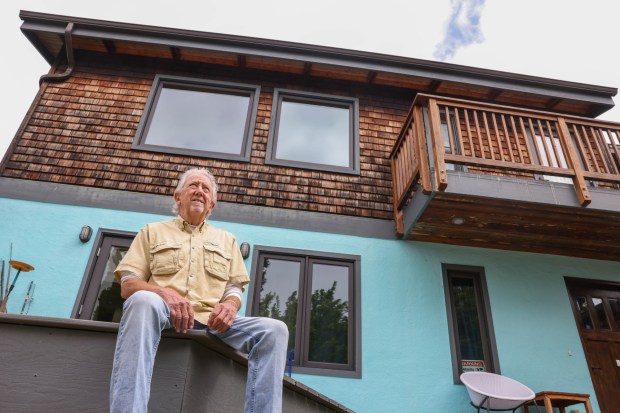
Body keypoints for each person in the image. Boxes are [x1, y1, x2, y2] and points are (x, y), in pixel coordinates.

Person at [109, 168, 289, 413]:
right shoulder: (152, 231)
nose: (199, 192)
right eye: (193, 186)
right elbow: (128, 283)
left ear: (211, 204)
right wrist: (164, 293)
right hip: (163, 312)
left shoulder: (228, 240)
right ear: (178, 196)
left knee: (275, 330)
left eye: (206, 189)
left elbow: (234, 288)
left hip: (212, 321)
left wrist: (229, 306)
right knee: (141, 300)